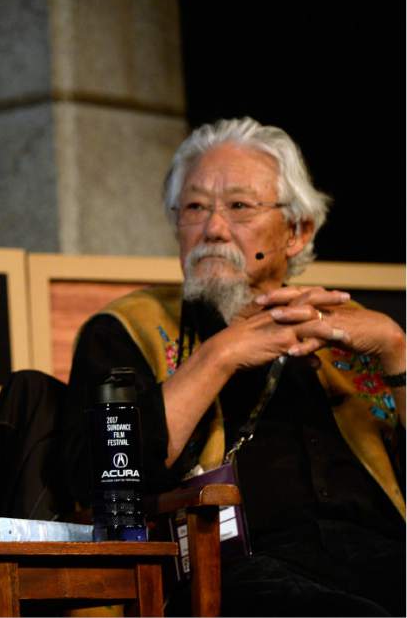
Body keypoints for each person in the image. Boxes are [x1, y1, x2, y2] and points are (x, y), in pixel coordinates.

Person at [61, 117, 405, 616]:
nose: (214, 229)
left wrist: (397, 351)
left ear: (297, 230)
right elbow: (96, 477)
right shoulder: (126, 329)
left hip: (381, 559)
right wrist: (220, 354)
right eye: (195, 208)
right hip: (232, 570)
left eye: (239, 207)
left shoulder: (350, 333)